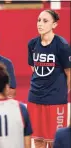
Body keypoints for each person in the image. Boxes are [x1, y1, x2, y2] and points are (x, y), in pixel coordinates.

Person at [27, 10, 71, 148]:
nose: (40, 24)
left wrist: (62, 92)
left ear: (54, 24)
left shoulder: (62, 45)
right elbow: (34, 69)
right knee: (38, 140)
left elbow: (69, 73)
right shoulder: (32, 44)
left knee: (54, 141)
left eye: (45, 21)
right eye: (39, 20)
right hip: (35, 98)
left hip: (55, 101)